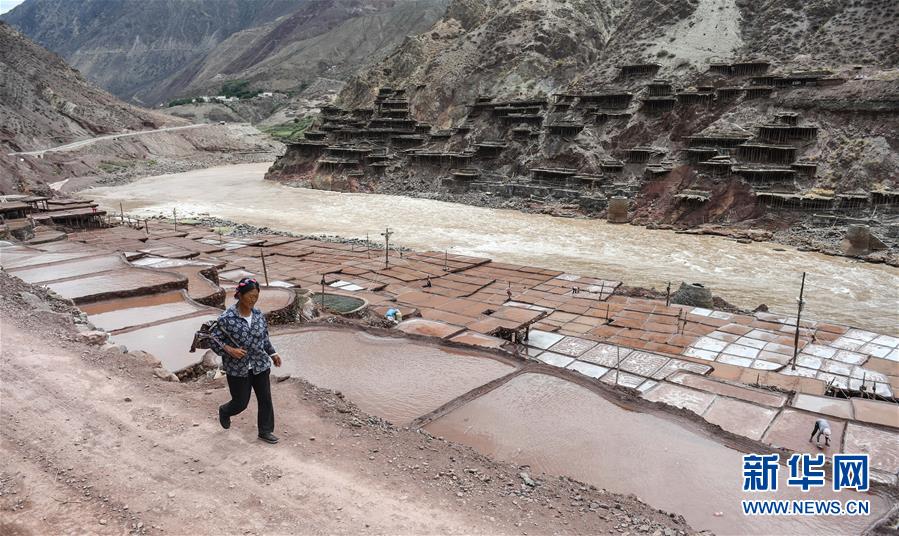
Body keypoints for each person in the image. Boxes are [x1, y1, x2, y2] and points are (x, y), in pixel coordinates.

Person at [210, 277, 282, 444]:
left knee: (265, 399)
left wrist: (273, 353)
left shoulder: (258, 315)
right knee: (241, 403)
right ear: (240, 295)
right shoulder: (226, 318)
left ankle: (265, 431)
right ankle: (225, 411)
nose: (253, 299)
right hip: (237, 369)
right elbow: (213, 339)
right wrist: (229, 350)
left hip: (260, 364)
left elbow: (264, 338)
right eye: (250, 296)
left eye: (256, 296)